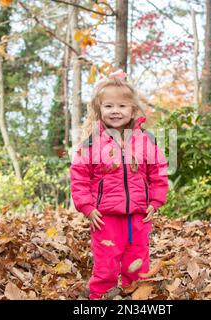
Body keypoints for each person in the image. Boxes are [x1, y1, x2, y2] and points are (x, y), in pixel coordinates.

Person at [69, 69, 169, 300]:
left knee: (137, 261)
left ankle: (136, 297)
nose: (115, 111)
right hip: (104, 216)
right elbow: (80, 177)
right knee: (106, 262)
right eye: (109, 106)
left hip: (139, 214)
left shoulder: (146, 140)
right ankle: (99, 298)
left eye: (122, 106)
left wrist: (155, 200)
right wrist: (87, 206)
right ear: (99, 110)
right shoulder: (92, 144)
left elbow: (158, 172)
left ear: (133, 110)